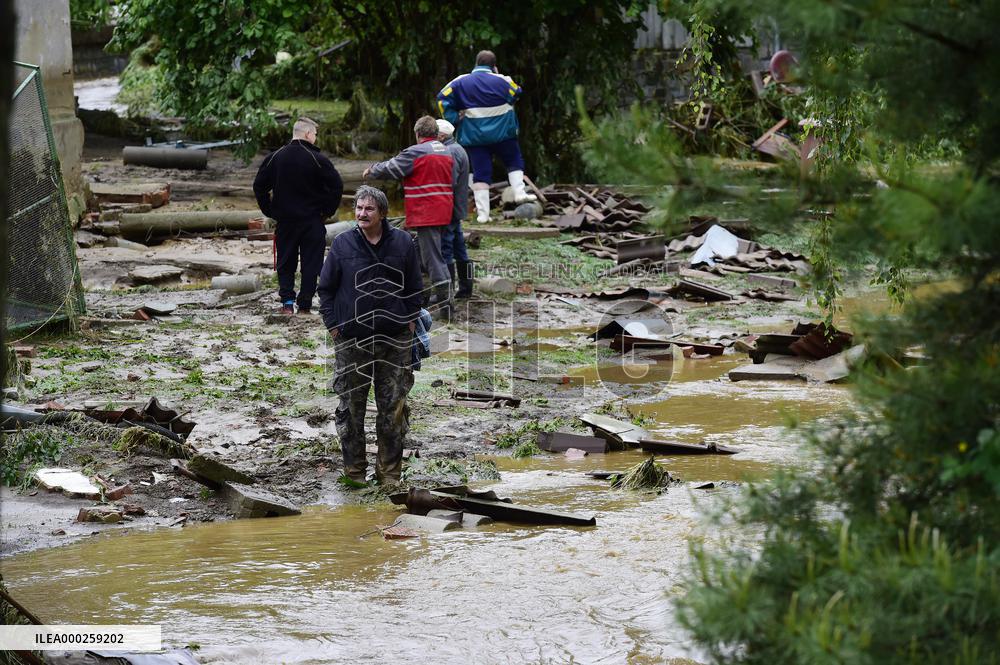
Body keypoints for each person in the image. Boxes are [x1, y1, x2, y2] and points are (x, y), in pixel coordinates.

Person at [317, 185, 422, 485]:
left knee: (393, 409)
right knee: (351, 410)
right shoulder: (342, 244)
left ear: (383, 213)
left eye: (369, 209)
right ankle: (355, 474)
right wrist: (334, 326)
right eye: (359, 208)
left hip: (394, 340)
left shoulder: (403, 242)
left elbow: (415, 287)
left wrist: (409, 321)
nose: (362, 214)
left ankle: (389, 476)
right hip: (352, 340)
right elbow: (325, 289)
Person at [363, 115, 454, 312]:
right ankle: (422, 300)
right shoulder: (444, 150)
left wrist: (372, 170)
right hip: (443, 209)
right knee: (421, 255)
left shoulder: (417, 151)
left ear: (418, 133)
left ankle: (446, 307)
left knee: (432, 259)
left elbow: (392, 168)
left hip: (426, 212)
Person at [253, 117, 344, 314]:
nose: (316, 138)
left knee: (286, 261)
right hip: (313, 220)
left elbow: (259, 186)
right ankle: (305, 305)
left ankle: (287, 303)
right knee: (311, 263)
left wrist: (270, 210)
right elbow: (337, 186)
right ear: (308, 134)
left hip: (285, 221)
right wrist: (327, 211)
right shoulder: (318, 159)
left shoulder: (275, 157)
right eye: (315, 134)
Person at [436, 49, 536, 224]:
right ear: (494, 66)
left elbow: (442, 98)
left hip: (475, 137)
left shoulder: (460, 81)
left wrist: (454, 118)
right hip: (503, 134)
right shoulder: (503, 80)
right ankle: (519, 193)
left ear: (476, 64)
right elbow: (516, 93)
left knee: (481, 173)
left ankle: (483, 215)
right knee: (514, 161)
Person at [435, 118, 474, 299]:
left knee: (446, 249)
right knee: (460, 250)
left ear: (442, 136)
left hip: (449, 208)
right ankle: (466, 289)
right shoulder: (458, 148)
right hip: (457, 207)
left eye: (434, 135)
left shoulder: (449, 152)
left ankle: (446, 293)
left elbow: (449, 182)